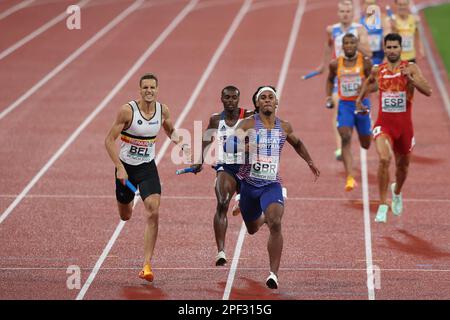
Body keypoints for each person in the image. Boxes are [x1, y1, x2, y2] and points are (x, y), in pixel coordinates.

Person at [229, 86, 320, 289]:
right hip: (249, 185)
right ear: (257, 104)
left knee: (276, 223)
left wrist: (310, 161)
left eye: (271, 97)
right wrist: (244, 146)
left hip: (272, 184)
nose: (268, 100)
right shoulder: (248, 123)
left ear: (276, 102)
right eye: (263, 97)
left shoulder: (284, 127)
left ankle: (273, 274)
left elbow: (297, 143)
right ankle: (256, 215)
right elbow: (228, 144)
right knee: (252, 229)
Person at [104, 73, 188, 281]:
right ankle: (129, 198)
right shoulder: (127, 111)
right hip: (126, 170)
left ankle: (147, 265)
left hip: (147, 168)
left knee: (153, 209)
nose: (149, 91)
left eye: (152, 88)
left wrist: (182, 144)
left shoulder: (162, 110)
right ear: (140, 90)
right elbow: (109, 140)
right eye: (145, 88)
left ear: (157, 90)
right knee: (125, 216)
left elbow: (170, 130)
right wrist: (119, 167)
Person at [356, 33, 432, 223]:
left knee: (403, 167)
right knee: (384, 158)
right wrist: (359, 101)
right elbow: (368, 83)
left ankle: (396, 191)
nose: (391, 50)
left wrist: (411, 79)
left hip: (405, 127)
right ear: (385, 48)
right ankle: (383, 203)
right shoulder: (378, 70)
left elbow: (428, 91)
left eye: (394, 47)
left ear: (400, 48)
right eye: (388, 47)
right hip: (384, 125)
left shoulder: (410, 67)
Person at [190, 86, 253, 266]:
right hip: (226, 167)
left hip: (247, 167)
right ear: (222, 99)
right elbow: (206, 139)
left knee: (252, 222)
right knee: (222, 203)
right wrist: (199, 161)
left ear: (239, 99)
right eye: (227, 97)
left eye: (234, 97)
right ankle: (221, 251)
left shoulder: (249, 116)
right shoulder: (216, 119)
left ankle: (243, 200)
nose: (231, 101)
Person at [314, 0, 372, 161]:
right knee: (337, 106)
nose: (345, 14)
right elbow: (328, 47)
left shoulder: (359, 30)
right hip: (340, 76)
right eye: (342, 11)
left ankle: (364, 129)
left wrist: (354, 44)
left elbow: (369, 52)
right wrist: (323, 65)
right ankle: (340, 147)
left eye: (348, 11)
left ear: (352, 14)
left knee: (360, 114)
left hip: (357, 76)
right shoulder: (331, 30)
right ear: (338, 13)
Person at [326, 33, 373, 191]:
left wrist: (365, 89)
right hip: (345, 105)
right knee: (345, 136)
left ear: (356, 44)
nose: (349, 46)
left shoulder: (365, 63)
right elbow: (330, 79)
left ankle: (367, 132)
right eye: (346, 43)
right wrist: (328, 97)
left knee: (366, 144)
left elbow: (375, 83)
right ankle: (350, 177)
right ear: (342, 46)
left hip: (361, 105)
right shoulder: (335, 64)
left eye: (352, 43)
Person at [359, 0, 392, 65]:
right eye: (368, 4)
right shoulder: (358, 22)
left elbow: (388, 39)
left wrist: (386, 57)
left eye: (372, 4)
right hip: (364, 59)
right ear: (364, 5)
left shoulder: (382, 21)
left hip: (380, 58)